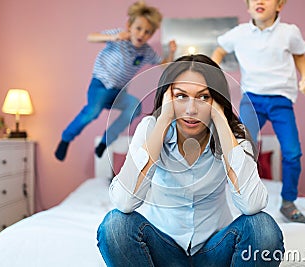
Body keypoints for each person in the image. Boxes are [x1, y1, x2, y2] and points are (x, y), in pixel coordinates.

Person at [97, 54, 284, 266]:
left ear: (217, 98)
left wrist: (222, 121)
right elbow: (124, 202)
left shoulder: (234, 135)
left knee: (263, 227)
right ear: (167, 97)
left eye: (204, 97)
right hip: (163, 251)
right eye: (181, 96)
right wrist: (164, 119)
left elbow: (252, 205)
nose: (191, 109)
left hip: (215, 251)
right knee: (115, 225)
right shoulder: (150, 128)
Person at [212, 0, 305, 223]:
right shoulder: (239, 33)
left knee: (293, 152)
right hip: (252, 100)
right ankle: (239, 195)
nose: (259, 1)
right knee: (240, 147)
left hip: (281, 101)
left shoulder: (289, 33)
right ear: (247, 7)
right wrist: (213, 70)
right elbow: (219, 49)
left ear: (279, 5)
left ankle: (288, 202)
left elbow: (299, 55)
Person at [54, 1, 176, 161]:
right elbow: (91, 37)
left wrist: (172, 52)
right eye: (138, 29)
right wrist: (114, 36)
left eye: (147, 32)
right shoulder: (119, 36)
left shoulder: (146, 51)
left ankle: (105, 142)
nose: (141, 35)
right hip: (100, 87)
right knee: (92, 112)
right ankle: (65, 139)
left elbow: (164, 65)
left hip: (118, 92)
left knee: (135, 107)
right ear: (129, 26)